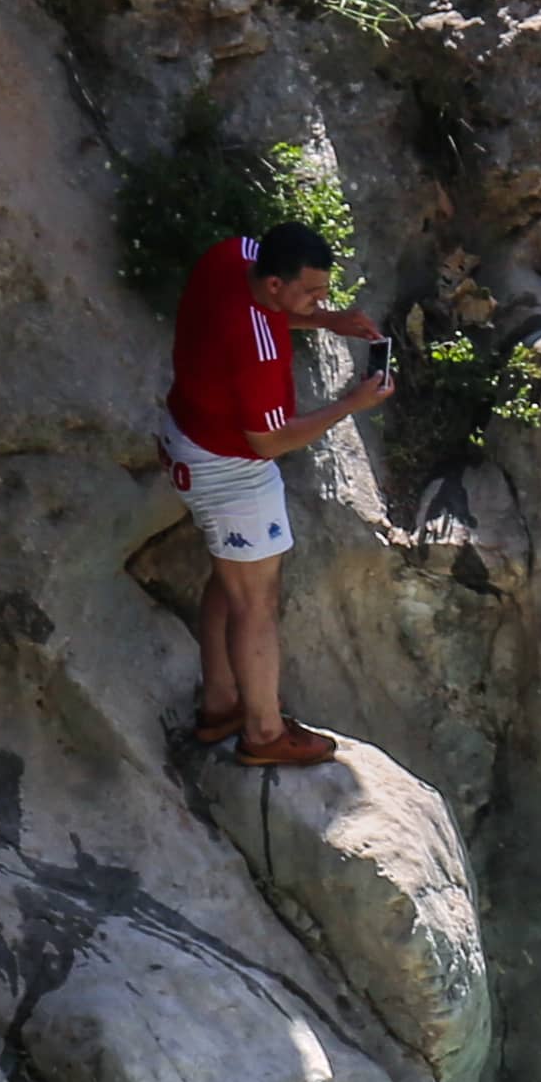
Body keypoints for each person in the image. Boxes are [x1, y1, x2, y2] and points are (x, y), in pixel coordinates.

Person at [166, 217, 397, 767]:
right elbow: (268, 440)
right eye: (312, 292)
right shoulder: (260, 351)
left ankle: (222, 703)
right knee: (256, 601)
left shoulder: (233, 255)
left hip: (187, 435)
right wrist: (349, 405)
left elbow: (256, 314)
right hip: (231, 470)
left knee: (232, 579)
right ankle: (264, 734)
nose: (320, 299)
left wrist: (328, 320)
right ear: (275, 285)